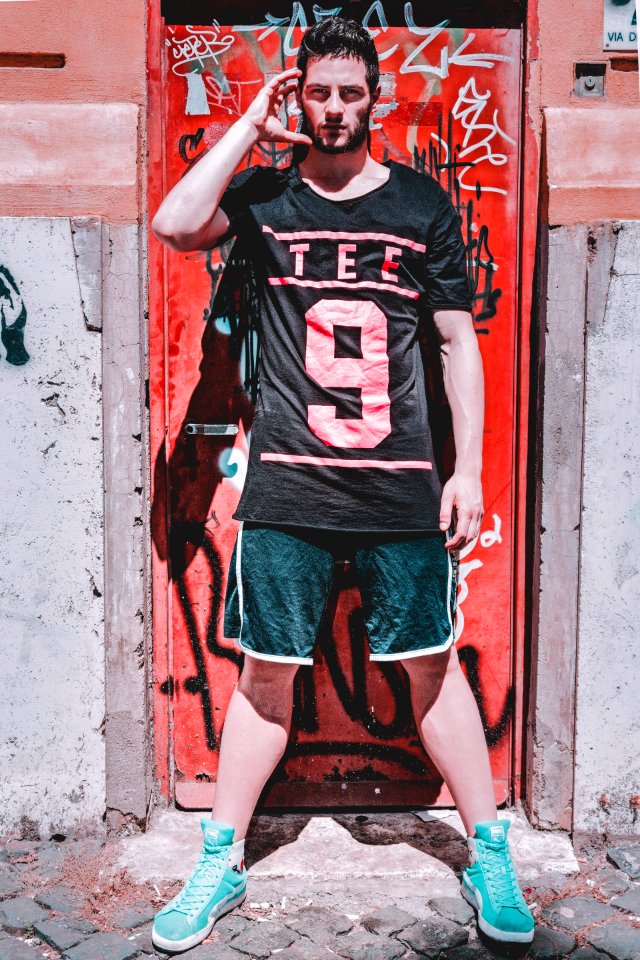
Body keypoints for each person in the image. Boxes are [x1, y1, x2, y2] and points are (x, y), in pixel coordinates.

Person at [150, 17, 535, 954]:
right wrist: (250, 118)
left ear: (375, 96)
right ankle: (221, 858)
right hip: (288, 488)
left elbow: (455, 345)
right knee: (266, 679)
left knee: (429, 673)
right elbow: (171, 223)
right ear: (301, 95)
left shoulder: (419, 207)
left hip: (399, 489)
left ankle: (489, 850)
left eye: (348, 93)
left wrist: (468, 471)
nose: (333, 109)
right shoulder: (267, 196)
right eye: (317, 92)